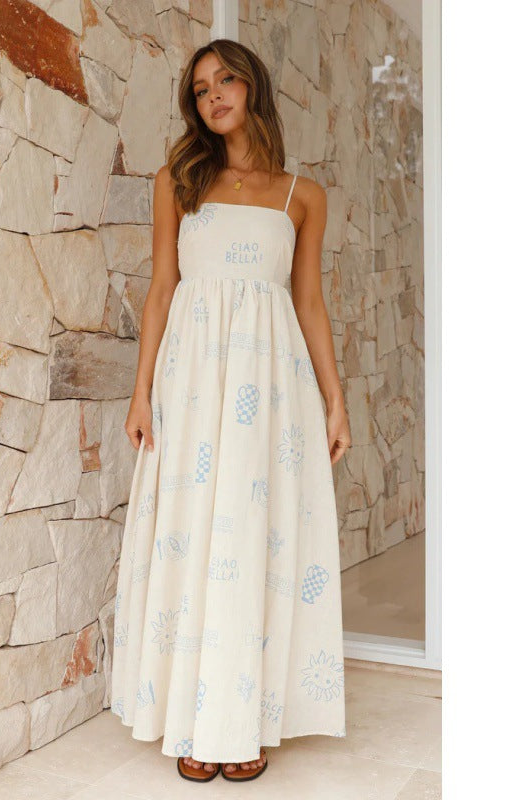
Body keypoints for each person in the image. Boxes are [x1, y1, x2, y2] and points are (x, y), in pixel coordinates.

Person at [110, 38, 351, 783]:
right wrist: (142, 390)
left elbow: (308, 303)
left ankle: (240, 720)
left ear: (252, 87)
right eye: (200, 88)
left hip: (269, 387)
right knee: (193, 533)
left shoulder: (301, 195)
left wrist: (334, 399)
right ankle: (193, 716)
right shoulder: (177, 181)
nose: (213, 94)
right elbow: (162, 289)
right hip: (192, 382)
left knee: (253, 537)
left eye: (225, 80)